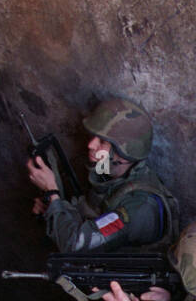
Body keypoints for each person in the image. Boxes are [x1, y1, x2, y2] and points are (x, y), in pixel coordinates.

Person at [28, 97, 178, 252]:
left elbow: (74, 244)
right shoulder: (108, 174)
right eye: (93, 137)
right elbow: (90, 213)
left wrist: (52, 192)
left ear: (124, 154)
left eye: (102, 142)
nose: (90, 145)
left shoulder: (141, 208)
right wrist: (54, 208)